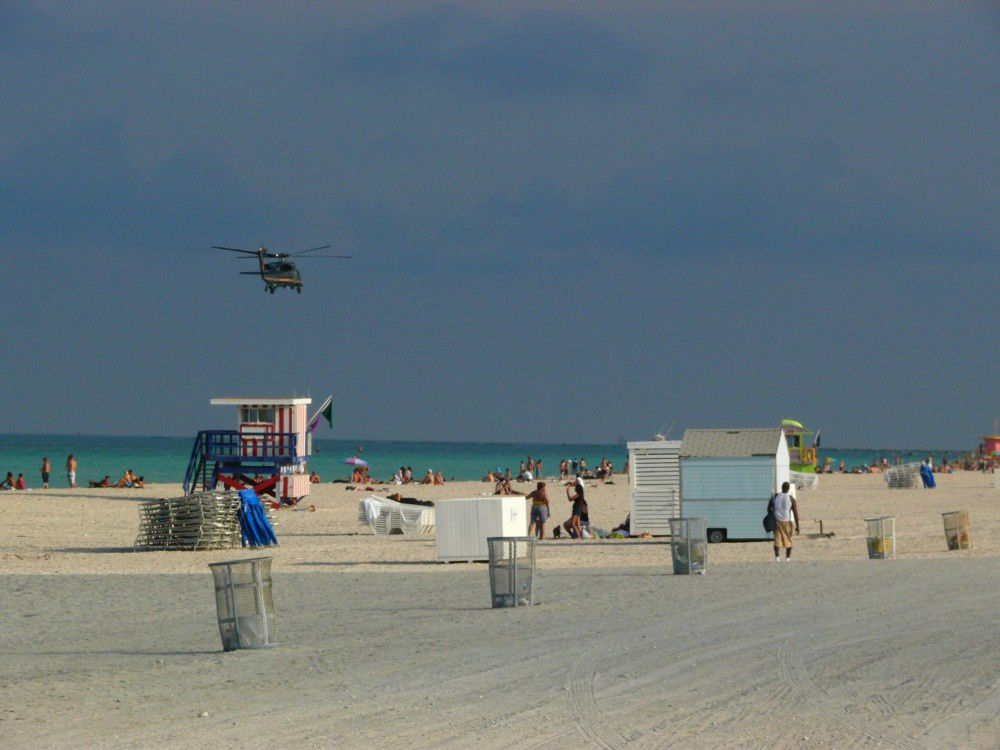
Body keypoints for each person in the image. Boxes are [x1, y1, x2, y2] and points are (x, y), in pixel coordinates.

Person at [769, 481, 799, 561]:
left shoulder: (776, 496)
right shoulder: (791, 499)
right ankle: (787, 558)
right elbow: (795, 513)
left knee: (777, 540)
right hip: (787, 521)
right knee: (789, 540)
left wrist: (772, 514)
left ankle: (777, 558)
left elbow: (769, 508)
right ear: (789, 489)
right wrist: (797, 526)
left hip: (777, 521)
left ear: (782, 487)